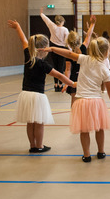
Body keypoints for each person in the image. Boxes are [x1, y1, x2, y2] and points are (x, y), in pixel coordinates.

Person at [42, 37, 110, 162]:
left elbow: (69, 54)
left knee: (84, 130)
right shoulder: (104, 69)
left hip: (81, 101)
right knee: (100, 128)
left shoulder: (85, 59)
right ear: (106, 52)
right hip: (96, 102)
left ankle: (86, 155)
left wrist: (53, 49)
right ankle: (101, 152)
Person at [8, 19, 75, 153]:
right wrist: (72, 83)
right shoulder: (43, 64)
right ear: (44, 49)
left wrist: (18, 27)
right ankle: (39, 145)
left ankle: (32, 145)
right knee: (39, 122)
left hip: (25, 94)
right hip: (37, 96)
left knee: (30, 122)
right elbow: (60, 75)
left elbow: (23, 40)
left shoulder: (28, 55)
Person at [62, 15, 96, 106]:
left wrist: (66, 82)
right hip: (84, 77)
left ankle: (75, 119)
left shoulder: (69, 54)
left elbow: (68, 70)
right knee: (84, 101)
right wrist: (92, 24)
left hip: (74, 78)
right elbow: (88, 36)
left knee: (74, 102)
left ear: (68, 42)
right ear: (79, 40)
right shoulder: (83, 48)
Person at [40, 8, 69, 92]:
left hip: (53, 48)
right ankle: (60, 84)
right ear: (62, 21)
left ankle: (55, 84)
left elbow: (47, 20)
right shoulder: (65, 29)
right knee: (60, 67)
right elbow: (67, 40)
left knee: (55, 66)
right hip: (61, 48)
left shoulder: (52, 26)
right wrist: (70, 49)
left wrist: (41, 14)